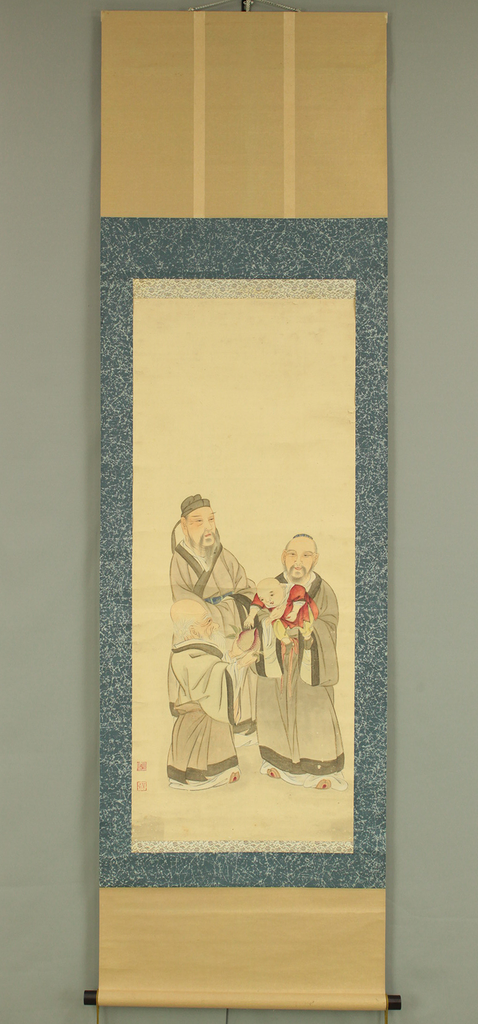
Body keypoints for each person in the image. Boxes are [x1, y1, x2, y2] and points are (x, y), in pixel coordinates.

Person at [252, 534, 347, 791]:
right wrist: (269, 623)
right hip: (279, 661)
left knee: (313, 710)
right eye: (292, 554)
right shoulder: (272, 586)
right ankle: (279, 762)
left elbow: (329, 625)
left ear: (315, 559)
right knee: (274, 707)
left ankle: (322, 769)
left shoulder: (323, 590)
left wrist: (306, 631)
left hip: (308, 660)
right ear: (284, 557)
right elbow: (257, 615)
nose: (298, 561)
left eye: (306, 556)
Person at [170, 494, 257, 739]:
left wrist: (241, 603)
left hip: (235, 622)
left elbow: (244, 586)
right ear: (184, 525)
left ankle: (243, 721)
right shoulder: (179, 561)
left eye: (211, 519)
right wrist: (216, 615)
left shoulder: (223, 554)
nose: (208, 527)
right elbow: (184, 603)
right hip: (203, 630)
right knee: (211, 675)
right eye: (198, 521)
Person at [167, 599, 257, 790]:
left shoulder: (195, 650)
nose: (215, 625)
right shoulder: (187, 655)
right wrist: (240, 665)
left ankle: (218, 771)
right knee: (201, 761)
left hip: (207, 714)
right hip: (199, 719)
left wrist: (232, 656)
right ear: (193, 631)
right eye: (207, 621)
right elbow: (214, 679)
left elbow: (215, 670)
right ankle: (204, 776)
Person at [244, 577, 319, 642]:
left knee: (306, 624)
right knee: (277, 627)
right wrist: (250, 617)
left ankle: (307, 637)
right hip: (282, 618)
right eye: (263, 599)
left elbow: (300, 595)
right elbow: (256, 604)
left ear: (282, 587)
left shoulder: (292, 589)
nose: (268, 600)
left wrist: (294, 611)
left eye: (272, 594)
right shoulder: (263, 595)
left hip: (299, 613)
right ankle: (286, 642)